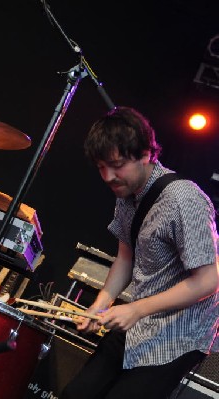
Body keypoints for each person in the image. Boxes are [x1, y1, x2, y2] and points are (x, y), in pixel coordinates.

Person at [61, 106, 219, 399]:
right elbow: (125, 255)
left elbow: (209, 281)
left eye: (117, 164)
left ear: (146, 153)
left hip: (178, 335)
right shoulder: (127, 195)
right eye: (100, 167)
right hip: (139, 321)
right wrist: (101, 304)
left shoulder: (184, 199)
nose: (108, 176)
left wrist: (136, 308)